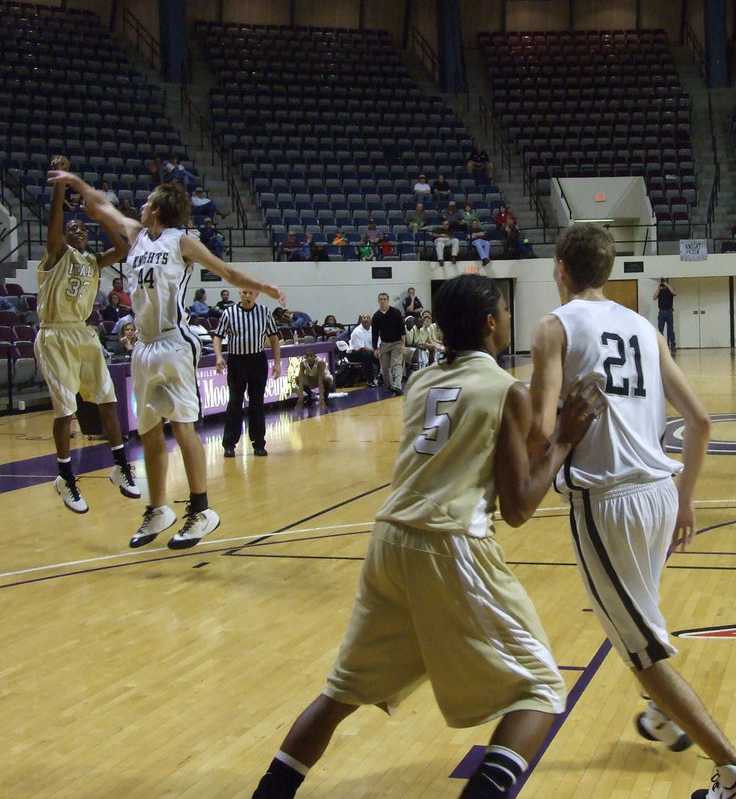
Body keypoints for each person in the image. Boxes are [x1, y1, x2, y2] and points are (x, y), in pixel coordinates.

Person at [251, 273, 606, 799]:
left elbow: (462, 448)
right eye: (506, 312)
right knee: (541, 689)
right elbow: (517, 508)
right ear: (491, 323)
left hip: (390, 540)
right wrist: (565, 440)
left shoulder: (421, 383)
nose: (510, 319)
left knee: (340, 693)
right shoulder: (509, 391)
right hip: (451, 542)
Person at [527, 223, 736, 799]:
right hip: (660, 494)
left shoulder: (553, 327)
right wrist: (685, 498)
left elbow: (542, 432)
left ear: (560, 268)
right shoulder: (643, 325)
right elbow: (702, 420)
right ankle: (663, 719)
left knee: (639, 650)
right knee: (640, 618)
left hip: (606, 500)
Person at [49, 167, 286, 551]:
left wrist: (263, 287)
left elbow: (224, 271)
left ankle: (202, 509)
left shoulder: (182, 242)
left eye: (146, 202)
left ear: (157, 209)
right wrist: (74, 183)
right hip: (143, 347)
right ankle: (158, 508)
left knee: (182, 427)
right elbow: (101, 205)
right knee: (148, 431)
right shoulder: (136, 234)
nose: (140, 206)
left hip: (175, 343)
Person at [36, 155, 141, 516]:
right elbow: (54, 223)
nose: (77, 230)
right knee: (66, 409)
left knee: (107, 401)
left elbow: (125, 250)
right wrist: (62, 185)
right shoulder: (56, 256)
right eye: (73, 227)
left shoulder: (92, 261)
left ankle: (119, 465)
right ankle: (65, 475)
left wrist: (101, 220)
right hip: (54, 335)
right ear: (64, 235)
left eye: (83, 228)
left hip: (83, 334)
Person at [213, 288, 281, 459]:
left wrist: (278, 363)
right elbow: (218, 336)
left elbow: (273, 339)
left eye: (251, 293)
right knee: (235, 401)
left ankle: (259, 443)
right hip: (237, 361)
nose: (247, 296)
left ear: (256, 294)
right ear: (239, 294)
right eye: (244, 293)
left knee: (257, 402)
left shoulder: (264, 312)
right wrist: (219, 356)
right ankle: (229, 444)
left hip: (257, 360)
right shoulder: (229, 313)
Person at [371, 291, 406, 395]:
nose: (383, 301)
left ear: (388, 300)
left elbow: (402, 330)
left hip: (396, 342)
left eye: (384, 299)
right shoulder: (376, 316)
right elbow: (374, 333)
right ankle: (389, 386)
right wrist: (375, 348)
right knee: (385, 368)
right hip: (384, 343)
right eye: (381, 299)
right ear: (378, 301)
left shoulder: (396, 312)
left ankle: (397, 386)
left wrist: (403, 344)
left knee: (396, 364)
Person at [347, 313, 377, 385]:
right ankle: (370, 379)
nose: (366, 319)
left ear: (371, 321)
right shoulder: (357, 331)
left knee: (383, 354)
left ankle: (382, 377)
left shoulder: (373, 330)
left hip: (369, 351)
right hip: (354, 353)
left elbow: (377, 342)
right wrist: (374, 351)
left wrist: (378, 350)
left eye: (368, 318)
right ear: (361, 320)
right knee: (368, 355)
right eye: (364, 318)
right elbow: (361, 348)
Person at [654, 278, 677, 353]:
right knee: (660, 330)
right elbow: (654, 297)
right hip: (661, 312)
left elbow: (674, 293)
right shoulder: (660, 291)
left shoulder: (670, 290)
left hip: (669, 312)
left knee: (670, 330)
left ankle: (672, 345)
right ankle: (660, 346)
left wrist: (668, 285)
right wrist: (658, 288)